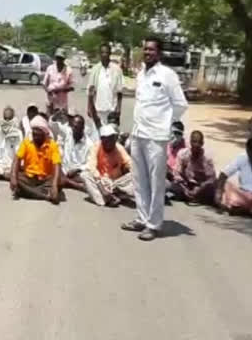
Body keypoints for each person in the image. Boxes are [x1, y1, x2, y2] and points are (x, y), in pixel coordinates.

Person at [122, 36, 188, 241]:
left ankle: (154, 224)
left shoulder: (168, 75)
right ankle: (141, 218)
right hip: (139, 133)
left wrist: (166, 124)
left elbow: (180, 104)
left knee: (156, 182)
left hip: (157, 137)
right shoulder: (142, 74)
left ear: (159, 53)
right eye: (146, 49)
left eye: (151, 50)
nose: (148, 52)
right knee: (139, 179)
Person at [10, 115, 63, 204]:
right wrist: (13, 177)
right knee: (16, 178)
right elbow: (17, 159)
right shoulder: (27, 142)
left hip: (45, 180)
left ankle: (28, 192)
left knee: (59, 182)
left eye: (38, 135)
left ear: (44, 134)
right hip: (29, 178)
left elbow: (57, 165)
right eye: (34, 134)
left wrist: (54, 185)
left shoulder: (52, 145)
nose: (35, 137)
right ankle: (45, 196)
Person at [83, 125, 134, 206]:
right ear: (103, 140)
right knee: (85, 175)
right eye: (108, 139)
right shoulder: (96, 147)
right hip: (100, 181)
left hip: (115, 184)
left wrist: (131, 170)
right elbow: (92, 168)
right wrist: (102, 189)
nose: (111, 142)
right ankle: (107, 198)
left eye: (112, 138)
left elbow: (130, 163)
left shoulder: (119, 148)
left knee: (136, 175)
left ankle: (112, 196)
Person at [168, 130, 216, 205]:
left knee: (212, 190)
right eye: (194, 141)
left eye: (199, 142)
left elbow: (211, 179)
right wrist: (184, 189)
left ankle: (193, 197)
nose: (196, 145)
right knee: (172, 186)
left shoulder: (207, 157)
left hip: (201, 186)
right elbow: (177, 174)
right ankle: (190, 196)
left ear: (202, 144)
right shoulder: (183, 154)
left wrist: (199, 188)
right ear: (190, 142)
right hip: (186, 184)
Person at [87, 43, 124, 128]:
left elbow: (120, 91)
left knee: (110, 136)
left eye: (106, 52)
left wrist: (118, 108)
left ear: (110, 54)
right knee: (97, 136)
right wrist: (89, 107)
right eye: (102, 52)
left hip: (111, 110)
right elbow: (90, 91)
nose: (104, 54)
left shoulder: (117, 70)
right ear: (100, 54)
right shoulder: (95, 69)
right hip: (97, 110)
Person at [60, 115, 94, 193]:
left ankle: (66, 181)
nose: (74, 129)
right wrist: (55, 117)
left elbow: (90, 164)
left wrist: (77, 169)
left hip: (78, 173)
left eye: (77, 127)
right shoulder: (69, 133)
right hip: (64, 169)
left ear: (83, 128)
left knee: (86, 176)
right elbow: (54, 126)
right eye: (73, 127)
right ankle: (77, 186)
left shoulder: (89, 144)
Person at [0, 106, 24, 180]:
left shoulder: (18, 132)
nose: (7, 121)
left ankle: (5, 175)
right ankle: (1, 175)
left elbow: (20, 153)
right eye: (5, 118)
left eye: (9, 119)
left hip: (11, 165)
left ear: (13, 118)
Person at [43, 48, 74, 114]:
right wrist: (49, 91)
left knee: (63, 121)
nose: (59, 60)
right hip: (51, 101)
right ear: (55, 58)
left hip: (62, 103)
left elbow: (72, 87)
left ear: (64, 59)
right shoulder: (50, 68)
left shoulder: (69, 70)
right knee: (50, 120)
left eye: (61, 58)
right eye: (58, 58)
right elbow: (44, 84)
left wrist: (60, 90)